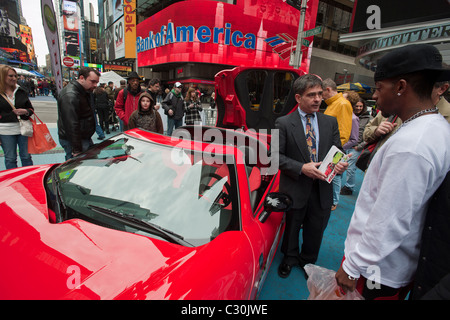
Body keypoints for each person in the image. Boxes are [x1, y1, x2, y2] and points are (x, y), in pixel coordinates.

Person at [335, 44, 450, 300]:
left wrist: (353, 266)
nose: (374, 96)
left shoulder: (412, 145)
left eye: (378, 88)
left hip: (376, 270)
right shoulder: (433, 128)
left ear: (400, 87)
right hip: (390, 263)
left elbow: (389, 219)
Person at [275, 74, 348, 279]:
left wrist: (339, 165)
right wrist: (301, 168)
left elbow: (338, 151)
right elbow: (274, 157)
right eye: (311, 95)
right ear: (298, 98)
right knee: (291, 226)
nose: (317, 99)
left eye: (319, 94)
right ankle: (289, 258)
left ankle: (308, 262)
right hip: (295, 186)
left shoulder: (330, 122)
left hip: (321, 187)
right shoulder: (283, 123)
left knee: (315, 229)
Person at [57, 67, 100, 160]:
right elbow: (71, 124)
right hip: (75, 140)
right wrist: (76, 149)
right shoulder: (71, 95)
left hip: (81, 137)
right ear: (81, 78)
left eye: (97, 82)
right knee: (78, 166)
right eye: (92, 81)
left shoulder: (83, 91)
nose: (95, 85)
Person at [0, 65, 34, 169]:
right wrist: (11, 115)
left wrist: (25, 111)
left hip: (23, 129)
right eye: (10, 76)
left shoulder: (20, 91)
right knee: (10, 158)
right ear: (2, 76)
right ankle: (13, 181)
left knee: (26, 157)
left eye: (15, 76)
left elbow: (30, 109)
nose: (14, 78)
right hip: (5, 130)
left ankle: (28, 178)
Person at [340, 98, 372, 195]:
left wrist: (360, 146)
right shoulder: (348, 115)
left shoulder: (369, 118)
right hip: (345, 145)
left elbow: (369, 135)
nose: (358, 108)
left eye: (360, 106)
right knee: (339, 165)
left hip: (356, 147)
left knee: (350, 168)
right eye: (356, 106)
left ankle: (349, 187)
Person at [322, 78, 353, 146]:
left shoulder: (343, 104)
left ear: (328, 89)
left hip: (332, 148)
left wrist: (333, 148)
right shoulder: (332, 104)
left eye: (321, 93)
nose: (321, 96)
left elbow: (344, 134)